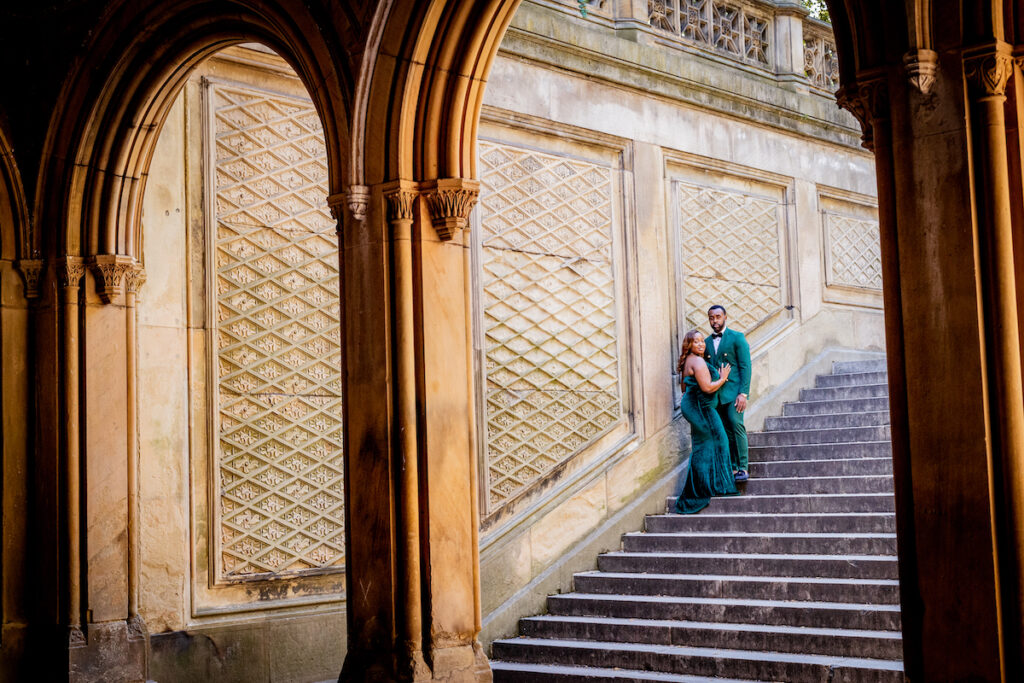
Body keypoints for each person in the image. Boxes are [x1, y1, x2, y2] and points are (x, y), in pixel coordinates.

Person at [674, 329, 738, 514]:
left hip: (694, 405)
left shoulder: (690, 360)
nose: (701, 344)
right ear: (689, 345)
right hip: (700, 407)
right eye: (696, 342)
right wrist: (724, 378)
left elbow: (685, 388)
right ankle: (704, 488)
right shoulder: (697, 360)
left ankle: (710, 485)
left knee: (705, 445)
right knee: (719, 441)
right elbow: (708, 388)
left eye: (702, 341)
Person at [704, 304, 752, 481]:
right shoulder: (707, 343)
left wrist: (743, 393)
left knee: (735, 424)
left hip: (734, 393)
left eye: (717, 317)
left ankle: (743, 467)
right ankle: (731, 468)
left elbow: (745, 366)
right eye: (711, 317)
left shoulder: (737, 338)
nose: (714, 321)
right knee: (724, 431)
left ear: (725, 317)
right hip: (716, 395)